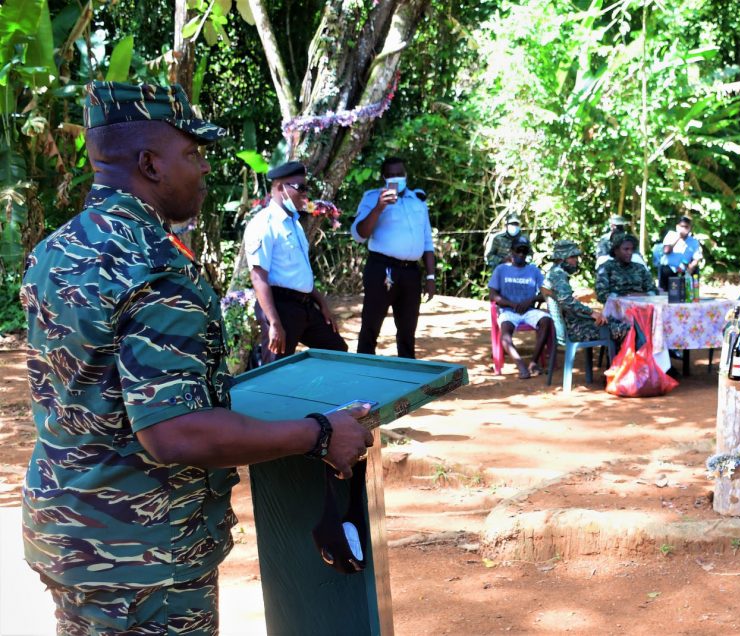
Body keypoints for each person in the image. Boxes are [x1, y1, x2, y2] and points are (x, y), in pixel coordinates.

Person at [20, 81, 373, 634]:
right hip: (144, 560)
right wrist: (320, 434)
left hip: (71, 539)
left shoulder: (55, 251)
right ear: (150, 164)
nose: (204, 168)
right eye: (193, 153)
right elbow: (174, 432)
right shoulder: (158, 268)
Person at [244, 161, 348, 363]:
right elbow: (258, 278)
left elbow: (299, 274)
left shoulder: (294, 224)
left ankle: (316, 394)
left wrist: (322, 304)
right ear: (281, 188)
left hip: (305, 305)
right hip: (280, 307)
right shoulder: (263, 224)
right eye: (300, 188)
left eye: (306, 188)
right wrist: (274, 322)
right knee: (275, 368)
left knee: (337, 351)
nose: (305, 193)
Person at [351, 157, 437, 358]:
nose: (395, 178)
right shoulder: (372, 198)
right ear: (383, 177)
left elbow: (427, 242)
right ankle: (364, 370)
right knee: (371, 323)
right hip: (382, 268)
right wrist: (380, 207)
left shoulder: (418, 200)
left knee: (408, 327)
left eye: (399, 174)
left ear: (406, 175)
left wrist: (431, 276)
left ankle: (407, 372)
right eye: (390, 175)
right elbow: (358, 235)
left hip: (411, 272)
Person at [489, 236, 553, 379]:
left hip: (528, 310)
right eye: (518, 251)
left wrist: (530, 300)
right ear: (512, 251)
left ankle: (533, 363)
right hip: (508, 310)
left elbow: (546, 293)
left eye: (524, 252)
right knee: (505, 334)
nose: (521, 255)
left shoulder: (533, 270)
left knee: (546, 320)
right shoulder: (501, 270)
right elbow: (492, 295)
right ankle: (521, 366)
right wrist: (511, 304)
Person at [542, 239, 628, 342]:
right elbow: (567, 301)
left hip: (574, 324)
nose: (576, 260)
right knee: (624, 329)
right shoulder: (558, 275)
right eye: (572, 257)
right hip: (576, 329)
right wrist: (591, 313)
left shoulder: (553, 273)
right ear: (562, 259)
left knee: (615, 321)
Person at [597, 233, 658, 303]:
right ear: (616, 251)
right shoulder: (606, 268)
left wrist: (641, 295)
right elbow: (601, 295)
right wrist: (626, 297)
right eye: (626, 249)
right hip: (617, 309)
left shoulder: (640, 268)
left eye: (632, 249)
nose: (630, 252)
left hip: (641, 307)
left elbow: (653, 290)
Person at [657, 215, 704, 290]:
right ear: (677, 227)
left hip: (685, 269)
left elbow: (696, 258)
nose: (684, 229)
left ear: (690, 228)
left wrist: (690, 268)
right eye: (682, 226)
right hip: (669, 268)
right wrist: (678, 237)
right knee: (665, 270)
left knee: (695, 271)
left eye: (686, 227)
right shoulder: (671, 235)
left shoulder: (693, 241)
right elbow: (666, 251)